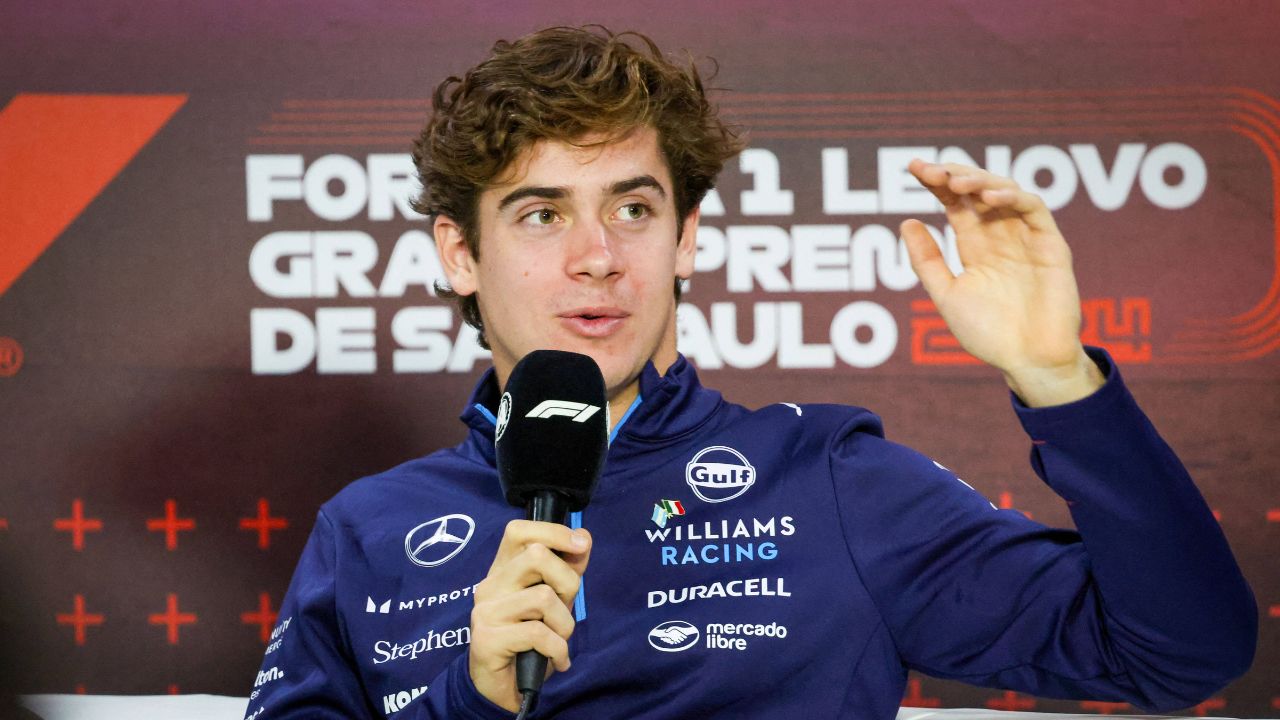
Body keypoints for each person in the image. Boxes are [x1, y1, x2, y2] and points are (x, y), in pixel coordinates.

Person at [244, 26, 1256, 720]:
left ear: (685, 241)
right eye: (542, 214)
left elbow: (1181, 652)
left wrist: (1057, 379)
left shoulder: (824, 477)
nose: (597, 254)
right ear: (459, 255)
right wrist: (473, 703)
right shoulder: (369, 528)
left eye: (633, 209)